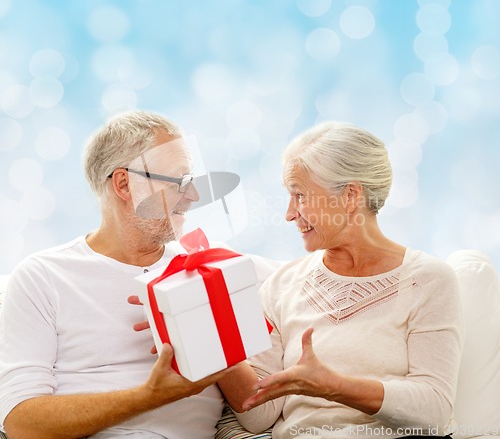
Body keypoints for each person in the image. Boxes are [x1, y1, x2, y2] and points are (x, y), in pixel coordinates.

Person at [0, 110, 279, 439]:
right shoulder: (42, 276)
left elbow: (255, 409)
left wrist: (205, 327)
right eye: (180, 182)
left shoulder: (207, 264)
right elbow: (21, 423)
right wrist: (150, 396)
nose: (194, 196)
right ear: (123, 184)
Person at [218, 121, 464, 438]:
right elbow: (258, 415)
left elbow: (435, 411)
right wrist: (211, 343)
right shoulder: (281, 285)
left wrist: (336, 387)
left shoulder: (427, 280)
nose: (289, 213)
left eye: (300, 195)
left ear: (350, 196)